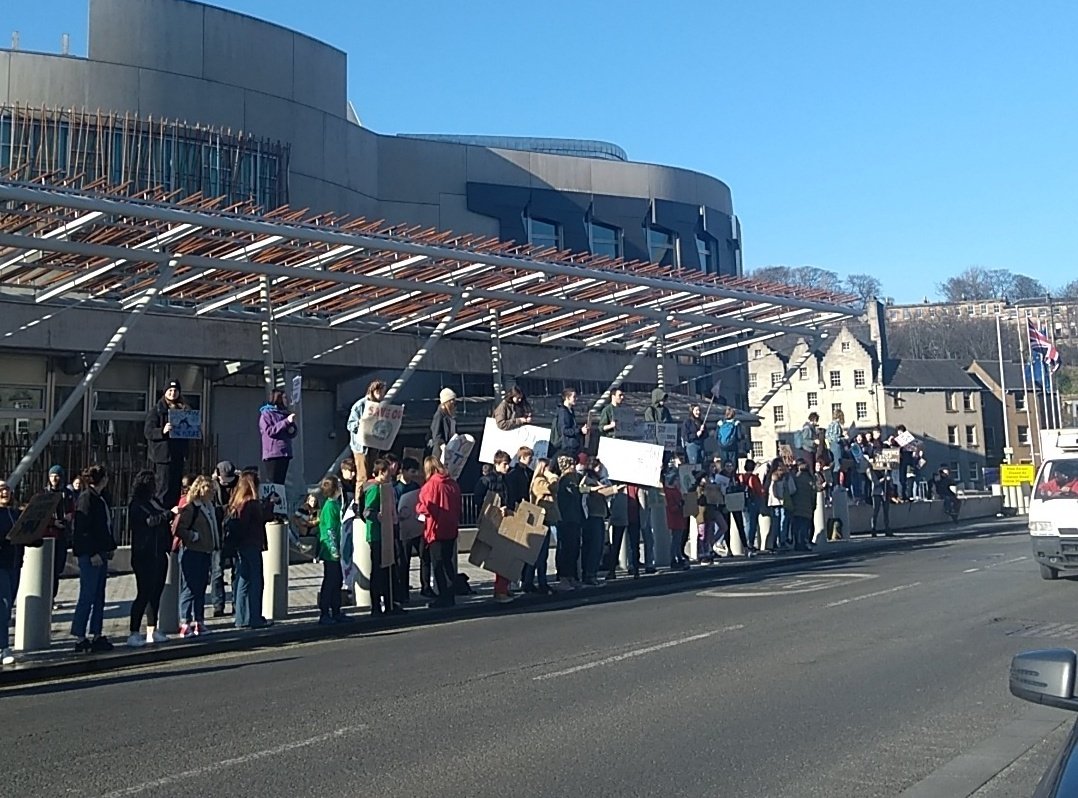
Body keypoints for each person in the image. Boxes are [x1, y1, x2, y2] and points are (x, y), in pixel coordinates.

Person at [70, 464, 118, 652]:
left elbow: (104, 526)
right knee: (87, 595)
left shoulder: (99, 497)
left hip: (101, 552)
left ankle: (96, 633)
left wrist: (109, 546)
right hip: (91, 555)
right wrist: (92, 553)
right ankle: (80, 636)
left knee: (99, 596)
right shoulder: (86, 499)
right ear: (102, 479)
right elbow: (82, 530)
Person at [126, 469, 173, 647]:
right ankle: (133, 632)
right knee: (143, 593)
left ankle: (152, 630)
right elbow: (149, 521)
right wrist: (167, 515)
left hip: (159, 552)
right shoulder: (136, 505)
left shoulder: (153, 502)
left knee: (156, 592)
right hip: (144, 554)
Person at [173, 475, 219, 637]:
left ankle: (199, 621)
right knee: (189, 587)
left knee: (200, 588)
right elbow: (179, 529)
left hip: (205, 551)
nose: (212, 491)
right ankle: (185, 621)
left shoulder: (208, 506)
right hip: (192, 551)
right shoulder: (191, 507)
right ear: (200, 489)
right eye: (209, 488)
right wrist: (193, 536)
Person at [416, 456, 462, 608]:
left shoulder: (431, 485)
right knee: (448, 563)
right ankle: (450, 595)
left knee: (438, 564)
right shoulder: (453, 484)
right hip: (451, 527)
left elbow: (427, 508)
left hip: (436, 529)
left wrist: (418, 508)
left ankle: (443, 596)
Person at [226, 472, 270, 629]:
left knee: (243, 582)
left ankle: (241, 618)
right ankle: (254, 617)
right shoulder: (251, 503)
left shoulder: (237, 502)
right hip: (251, 544)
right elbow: (260, 519)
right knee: (256, 581)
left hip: (241, 546)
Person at [144, 380, 191, 508]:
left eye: (175, 391)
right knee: (163, 490)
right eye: (170, 390)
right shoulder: (157, 410)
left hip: (178, 455)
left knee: (176, 489)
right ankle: (162, 515)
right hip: (163, 458)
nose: (172, 393)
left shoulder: (184, 410)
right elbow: (148, 432)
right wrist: (162, 431)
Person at [475, 450, 512, 602]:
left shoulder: (505, 480)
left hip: (504, 520)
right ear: (496, 463)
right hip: (493, 522)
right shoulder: (487, 480)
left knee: (505, 556)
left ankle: (504, 588)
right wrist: (495, 509)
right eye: (504, 464)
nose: (508, 466)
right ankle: (500, 591)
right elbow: (479, 500)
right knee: (500, 557)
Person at [361, 459, 395, 616]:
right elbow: (367, 511)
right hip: (377, 535)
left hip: (383, 534)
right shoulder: (374, 489)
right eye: (388, 472)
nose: (390, 475)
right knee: (379, 570)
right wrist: (378, 516)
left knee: (385, 569)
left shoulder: (383, 487)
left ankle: (388, 603)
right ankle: (378, 605)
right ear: (381, 472)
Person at [525, 457, 559, 592]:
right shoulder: (539, 481)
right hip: (540, 521)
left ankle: (538, 581)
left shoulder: (543, 480)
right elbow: (553, 487)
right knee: (538, 555)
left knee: (541, 555)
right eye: (548, 467)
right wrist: (551, 476)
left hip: (546, 520)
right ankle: (534, 582)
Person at [346, 379, 387, 490]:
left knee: (372, 475)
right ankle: (359, 503)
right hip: (361, 447)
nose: (382, 395)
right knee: (362, 477)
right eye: (380, 392)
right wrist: (361, 423)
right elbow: (350, 425)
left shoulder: (380, 406)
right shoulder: (359, 405)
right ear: (374, 391)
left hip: (373, 446)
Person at [210, 460, 238, 618]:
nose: (226, 483)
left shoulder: (238, 485)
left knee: (236, 571)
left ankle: (236, 603)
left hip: (234, 533)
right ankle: (218, 605)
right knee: (217, 572)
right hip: (218, 534)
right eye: (223, 479)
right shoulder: (213, 487)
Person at [0, 482, 25, 665]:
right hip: (1, 564)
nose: (4, 492)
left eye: (7, 488)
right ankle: (3, 647)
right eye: (1, 489)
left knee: (8, 608)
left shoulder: (16, 513)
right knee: (4, 605)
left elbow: (24, 534)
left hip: (15, 564)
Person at [578, 457, 613, 585]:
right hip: (592, 516)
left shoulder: (598, 480)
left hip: (598, 514)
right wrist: (594, 489)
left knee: (595, 546)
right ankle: (589, 574)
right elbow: (581, 490)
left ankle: (590, 574)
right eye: (598, 467)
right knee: (594, 546)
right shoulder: (587, 478)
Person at [394, 457, 424, 602]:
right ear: (404, 471)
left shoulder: (416, 486)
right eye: (411, 471)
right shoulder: (396, 488)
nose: (413, 474)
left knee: (425, 557)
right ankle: (403, 591)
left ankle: (426, 587)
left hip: (417, 526)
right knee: (403, 561)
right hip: (403, 529)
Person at [316, 476, 345, 625]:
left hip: (334, 550)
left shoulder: (334, 505)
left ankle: (336, 610)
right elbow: (330, 530)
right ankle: (325, 612)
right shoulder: (330, 507)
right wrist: (334, 549)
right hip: (330, 551)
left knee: (337, 580)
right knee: (330, 581)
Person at [44, 464, 75, 604]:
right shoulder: (44, 493)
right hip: (49, 534)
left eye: (56, 476)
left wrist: (70, 516)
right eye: (52, 476)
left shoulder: (67, 494)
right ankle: (47, 597)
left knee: (58, 568)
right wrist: (53, 522)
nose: (54, 479)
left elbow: (73, 508)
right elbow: (41, 513)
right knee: (48, 568)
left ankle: (53, 597)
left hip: (62, 534)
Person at [554, 455, 584, 590]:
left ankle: (571, 576)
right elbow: (574, 492)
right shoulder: (565, 481)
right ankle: (564, 577)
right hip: (566, 519)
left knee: (574, 548)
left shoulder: (573, 479)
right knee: (566, 548)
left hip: (575, 518)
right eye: (572, 465)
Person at [259, 389, 298, 484]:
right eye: (284, 397)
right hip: (273, 453)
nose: (286, 400)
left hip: (285, 452)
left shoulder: (284, 413)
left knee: (281, 482)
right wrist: (286, 422)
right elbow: (269, 431)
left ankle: (280, 498)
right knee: (274, 482)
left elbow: (290, 432)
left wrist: (292, 427)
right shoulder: (266, 414)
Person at [550, 388, 587, 462]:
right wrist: (580, 430)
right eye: (574, 397)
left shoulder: (570, 410)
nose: (576, 399)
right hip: (567, 446)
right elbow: (564, 430)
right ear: (567, 398)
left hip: (571, 445)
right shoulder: (563, 412)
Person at [789, 459, 817, 551]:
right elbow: (813, 493)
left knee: (796, 526)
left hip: (796, 505)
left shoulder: (794, 477)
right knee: (804, 526)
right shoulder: (810, 478)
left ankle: (797, 543)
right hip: (807, 506)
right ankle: (803, 543)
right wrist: (814, 504)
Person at [739, 459, 765, 553]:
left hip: (743, 502)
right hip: (753, 501)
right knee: (752, 523)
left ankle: (746, 543)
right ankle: (750, 543)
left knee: (747, 523)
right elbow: (759, 490)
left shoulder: (741, 477)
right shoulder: (753, 478)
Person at [429, 388, 458, 464]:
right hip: (441, 453)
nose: (454, 405)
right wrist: (442, 446)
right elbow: (436, 434)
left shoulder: (448, 417)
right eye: (452, 403)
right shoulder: (439, 415)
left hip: (449, 451)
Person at [870, 467, 892, 536]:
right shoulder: (872, 471)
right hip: (877, 493)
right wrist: (883, 479)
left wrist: (889, 479)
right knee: (876, 511)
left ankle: (887, 528)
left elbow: (890, 479)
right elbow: (875, 482)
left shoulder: (886, 470)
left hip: (885, 492)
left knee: (886, 511)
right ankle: (873, 528)